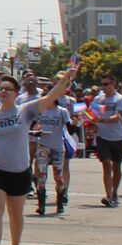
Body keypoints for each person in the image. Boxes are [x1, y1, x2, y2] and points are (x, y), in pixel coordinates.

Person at [0, 67, 77, 245]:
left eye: (9, 89)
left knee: (15, 214)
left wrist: (66, 80)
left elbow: (51, 97)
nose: (4, 91)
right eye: (2, 88)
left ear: (16, 94)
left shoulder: (25, 110)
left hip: (19, 170)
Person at [30, 77, 77, 216]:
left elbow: (70, 130)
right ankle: (41, 205)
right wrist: (37, 131)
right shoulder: (41, 111)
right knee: (42, 176)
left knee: (58, 176)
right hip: (43, 146)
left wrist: (76, 123)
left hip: (57, 146)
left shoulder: (62, 111)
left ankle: (60, 202)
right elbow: (33, 126)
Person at [87, 76, 122, 206]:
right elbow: (92, 114)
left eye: (106, 84)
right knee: (106, 164)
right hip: (102, 136)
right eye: (102, 84)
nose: (103, 87)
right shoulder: (98, 99)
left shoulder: (120, 99)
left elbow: (118, 116)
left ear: (114, 84)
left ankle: (114, 191)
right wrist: (90, 123)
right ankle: (109, 195)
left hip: (118, 136)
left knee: (116, 166)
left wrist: (101, 121)